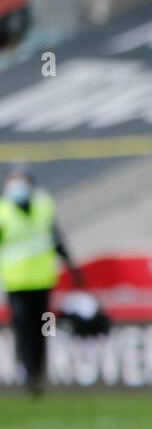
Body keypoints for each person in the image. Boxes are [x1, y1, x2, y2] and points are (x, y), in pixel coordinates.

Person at [0, 165, 84, 396]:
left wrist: (72, 267)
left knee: (43, 329)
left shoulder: (43, 206)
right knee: (23, 327)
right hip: (16, 282)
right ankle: (28, 372)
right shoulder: (3, 212)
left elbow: (56, 239)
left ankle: (38, 372)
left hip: (43, 281)